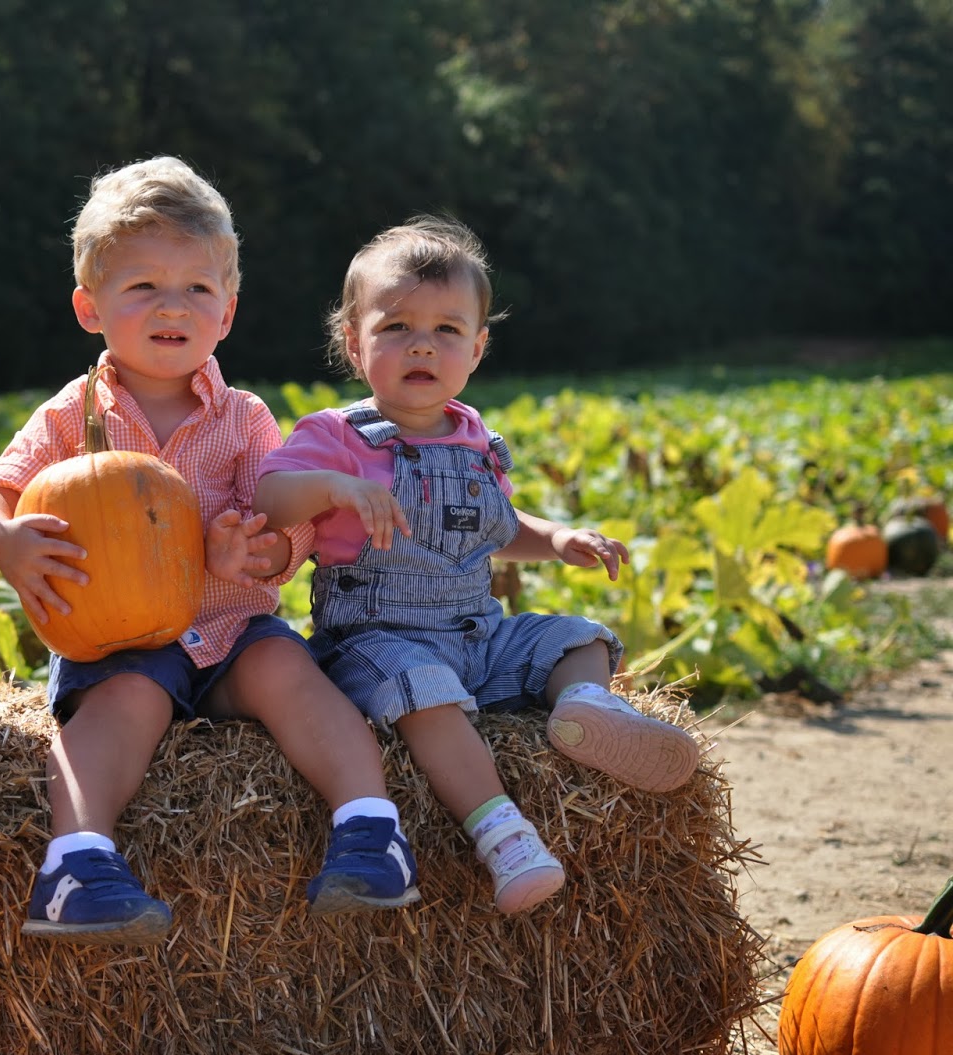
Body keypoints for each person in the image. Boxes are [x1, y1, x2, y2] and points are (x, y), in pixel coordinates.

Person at [0, 157, 421, 944]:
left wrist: (259, 555)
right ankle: (76, 862)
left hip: (232, 629)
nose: (172, 305)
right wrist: (4, 540)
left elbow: (288, 522)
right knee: (123, 704)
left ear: (227, 312)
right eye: (143, 286)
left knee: (292, 673)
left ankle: (370, 829)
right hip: (122, 638)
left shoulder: (244, 418)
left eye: (197, 288)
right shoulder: (70, 415)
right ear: (90, 306)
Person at [253, 216, 699, 916]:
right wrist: (333, 489)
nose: (422, 344)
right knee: (426, 696)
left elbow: (499, 526)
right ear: (353, 342)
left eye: (447, 329)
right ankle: (503, 834)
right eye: (396, 327)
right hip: (376, 644)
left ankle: (584, 711)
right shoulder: (337, 435)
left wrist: (557, 538)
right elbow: (269, 496)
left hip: (476, 634)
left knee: (576, 638)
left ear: (477, 347)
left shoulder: (477, 441)